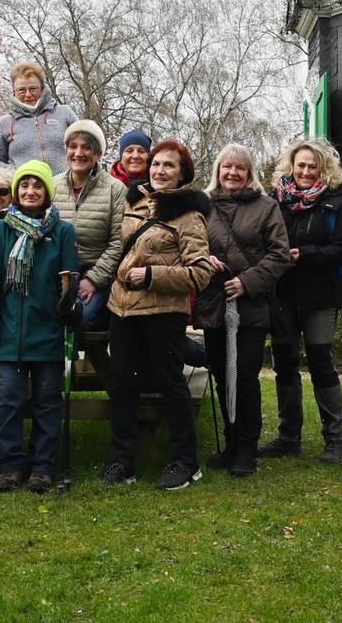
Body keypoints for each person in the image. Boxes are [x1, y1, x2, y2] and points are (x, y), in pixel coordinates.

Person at [103, 139, 214, 490]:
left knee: (170, 384)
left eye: (169, 166)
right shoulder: (134, 203)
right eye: (156, 165)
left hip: (163, 312)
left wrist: (152, 276)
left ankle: (186, 461)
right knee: (122, 386)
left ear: (182, 174)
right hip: (121, 309)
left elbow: (199, 273)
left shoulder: (189, 216)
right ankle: (124, 461)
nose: (160, 171)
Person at [0, 161, 79, 492]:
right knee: (7, 400)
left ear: (47, 192)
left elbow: (69, 275)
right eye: (24, 186)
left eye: (37, 186)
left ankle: (42, 465)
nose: (30, 191)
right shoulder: (0, 230)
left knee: (49, 401)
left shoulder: (62, 231)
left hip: (48, 329)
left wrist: (68, 303)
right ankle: (10, 465)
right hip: (11, 330)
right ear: (16, 192)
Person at [194, 144, 291, 478]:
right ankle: (231, 444)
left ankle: (247, 449)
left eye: (239, 168)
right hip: (213, 302)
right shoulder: (202, 206)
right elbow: (189, 246)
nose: (232, 173)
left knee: (245, 377)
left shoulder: (267, 207)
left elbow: (279, 255)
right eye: (226, 167)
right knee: (222, 374)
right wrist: (201, 260)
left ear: (249, 173)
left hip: (250, 307)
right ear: (217, 171)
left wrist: (247, 282)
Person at [259, 138, 342, 463]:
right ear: (291, 166)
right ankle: (288, 437)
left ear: (323, 169)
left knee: (320, 363)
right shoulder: (274, 201)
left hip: (320, 295)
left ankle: (335, 440)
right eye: (301, 165)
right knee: (284, 363)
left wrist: (306, 254)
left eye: (313, 166)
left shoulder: (333, 204)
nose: (306, 171)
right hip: (283, 295)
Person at [52, 120, 125, 331]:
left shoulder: (115, 189)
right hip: (58, 274)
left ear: (98, 154)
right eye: (73, 146)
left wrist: (93, 280)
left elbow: (117, 242)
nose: (79, 153)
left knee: (81, 318)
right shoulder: (53, 185)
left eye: (86, 148)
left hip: (94, 273)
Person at [0, 61, 78, 174]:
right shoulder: (5, 123)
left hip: (66, 187)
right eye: (22, 90)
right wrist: (15, 173)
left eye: (33, 89)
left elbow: (87, 143)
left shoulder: (64, 112)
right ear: (14, 92)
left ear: (42, 88)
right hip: (27, 190)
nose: (28, 94)